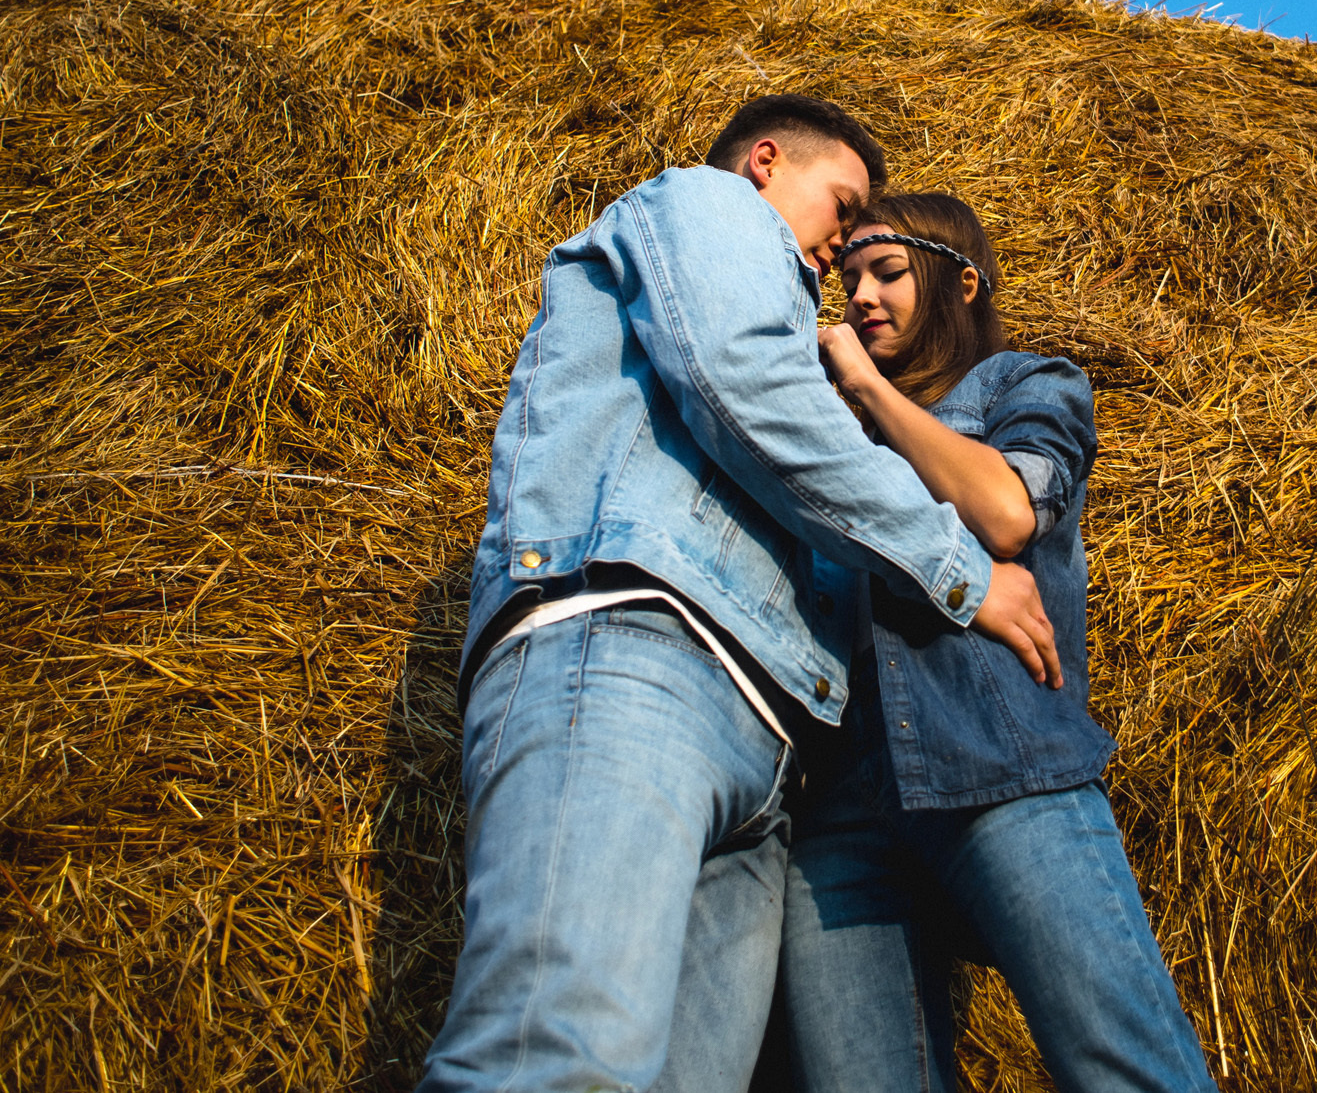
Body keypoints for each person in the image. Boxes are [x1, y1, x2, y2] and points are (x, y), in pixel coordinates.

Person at [419, 100, 1062, 1093]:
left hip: (761, 749)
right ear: (766, 162)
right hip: (634, 649)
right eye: (842, 207)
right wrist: (958, 570)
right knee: (557, 1062)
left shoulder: (797, 314)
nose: (844, 248)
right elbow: (745, 387)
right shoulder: (710, 204)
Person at [781, 194, 1216, 1093]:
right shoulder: (822, 442)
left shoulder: (1025, 384)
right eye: (849, 279)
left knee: (1122, 1066)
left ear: (963, 283)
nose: (860, 296)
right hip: (843, 817)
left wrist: (867, 389)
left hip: (997, 765)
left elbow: (1008, 513)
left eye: (887, 273)